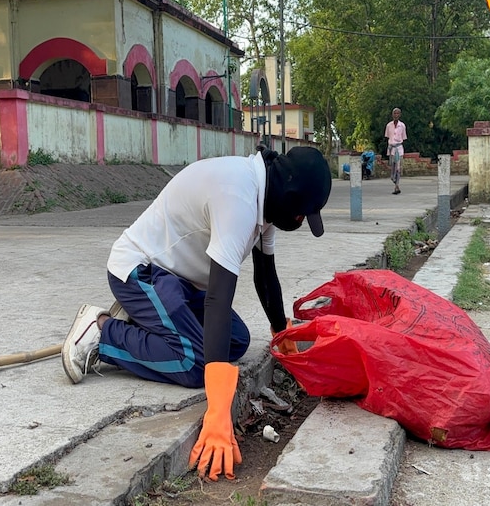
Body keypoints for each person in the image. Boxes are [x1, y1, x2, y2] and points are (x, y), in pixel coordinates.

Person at [61, 145, 332, 482]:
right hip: (139, 272)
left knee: (236, 341)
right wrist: (218, 412)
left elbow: (265, 274)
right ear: (290, 197)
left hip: (178, 283)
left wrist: (282, 333)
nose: (301, 220)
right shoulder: (239, 198)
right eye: (303, 214)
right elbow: (218, 300)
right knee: (194, 364)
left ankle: (147, 327)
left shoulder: (265, 196)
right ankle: (103, 334)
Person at [384, 107, 407, 194]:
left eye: (398, 113)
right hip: (391, 149)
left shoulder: (402, 125)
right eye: (395, 113)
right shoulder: (389, 125)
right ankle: (394, 180)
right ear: (392, 115)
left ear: (400, 115)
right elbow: (388, 137)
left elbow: (403, 138)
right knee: (392, 167)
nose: (396, 115)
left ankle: (397, 186)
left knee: (398, 168)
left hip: (399, 149)